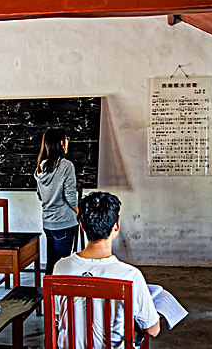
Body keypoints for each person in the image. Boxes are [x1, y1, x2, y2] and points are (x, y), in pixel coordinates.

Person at [53, 192, 161, 348]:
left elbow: (57, 315)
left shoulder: (61, 267)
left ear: (82, 226)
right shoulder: (130, 275)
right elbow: (153, 329)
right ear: (116, 226)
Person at [34, 128, 79, 275]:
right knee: (63, 266)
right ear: (60, 142)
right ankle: (61, 296)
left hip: (48, 222)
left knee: (51, 263)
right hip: (64, 222)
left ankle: (49, 296)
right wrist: (78, 212)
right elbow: (70, 195)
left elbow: (40, 195)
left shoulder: (40, 167)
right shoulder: (66, 165)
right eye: (66, 139)